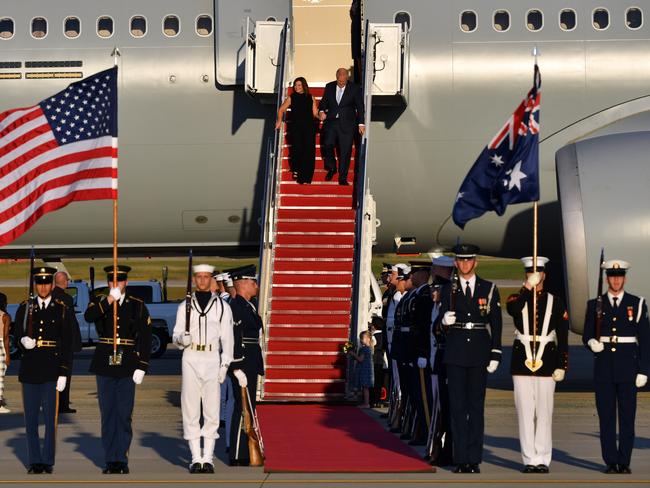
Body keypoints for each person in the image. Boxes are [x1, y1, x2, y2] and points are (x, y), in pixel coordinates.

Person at [437, 244, 502, 474]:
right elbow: (438, 329)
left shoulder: (489, 288)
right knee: (457, 408)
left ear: (475, 263)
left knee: (476, 408)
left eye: (469, 260)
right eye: (461, 261)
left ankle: (473, 458)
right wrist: (443, 322)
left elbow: (496, 323)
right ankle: (460, 458)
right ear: (456, 263)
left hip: (478, 353)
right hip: (455, 354)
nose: (465, 264)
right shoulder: (448, 290)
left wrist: (496, 352)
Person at [583, 259, 650, 474]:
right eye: (612, 277)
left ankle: (625, 461)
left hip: (627, 368)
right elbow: (587, 334)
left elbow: (646, 340)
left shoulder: (637, 303)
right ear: (607, 279)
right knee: (607, 417)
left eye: (619, 276)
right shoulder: (595, 304)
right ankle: (611, 461)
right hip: (604, 368)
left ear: (625, 278)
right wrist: (591, 342)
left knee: (627, 417)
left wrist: (644, 370)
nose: (616, 280)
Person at [84, 265, 152, 475]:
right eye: (112, 281)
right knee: (108, 413)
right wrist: (109, 301)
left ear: (126, 283)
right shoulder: (100, 301)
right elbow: (89, 316)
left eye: (120, 281)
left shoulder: (137, 305)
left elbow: (146, 337)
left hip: (128, 363)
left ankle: (121, 458)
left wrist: (142, 366)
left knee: (123, 414)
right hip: (105, 361)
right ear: (108, 283)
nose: (116, 284)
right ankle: (110, 459)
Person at [506, 257, 569, 474]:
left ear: (544, 274)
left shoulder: (556, 302)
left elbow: (562, 336)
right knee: (525, 411)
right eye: (530, 273)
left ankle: (542, 457)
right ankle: (529, 459)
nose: (535, 275)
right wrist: (527, 287)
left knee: (544, 412)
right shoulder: (517, 297)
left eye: (538, 272)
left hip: (547, 361)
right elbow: (514, 311)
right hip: (522, 360)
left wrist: (562, 364)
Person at [172, 264, 234, 474]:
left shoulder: (222, 307)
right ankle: (195, 458)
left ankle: (208, 458)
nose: (202, 280)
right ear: (194, 280)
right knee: (190, 408)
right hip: (191, 356)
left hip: (211, 357)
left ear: (212, 280)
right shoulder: (184, 306)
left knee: (211, 409)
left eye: (206, 277)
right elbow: (176, 334)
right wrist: (182, 339)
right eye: (199, 277)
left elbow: (228, 338)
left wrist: (225, 364)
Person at [14, 267, 73, 474]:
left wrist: (64, 372)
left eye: (47, 283)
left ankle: (47, 460)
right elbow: (17, 334)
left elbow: (67, 342)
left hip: (51, 369)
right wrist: (22, 341)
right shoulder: (26, 307)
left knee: (50, 419)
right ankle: (34, 461)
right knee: (30, 419)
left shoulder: (61, 308)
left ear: (51, 285)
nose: (43, 287)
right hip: (30, 369)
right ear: (35, 285)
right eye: (39, 283)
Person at [223, 265, 265, 466]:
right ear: (242, 283)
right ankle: (237, 455)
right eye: (252, 281)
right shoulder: (236, 306)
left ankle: (246, 452)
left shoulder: (248, 305)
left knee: (249, 407)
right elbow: (233, 337)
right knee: (242, 408)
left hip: (250, 360)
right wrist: (236, 366)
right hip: (242, 362)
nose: (256, 285)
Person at [426, 255, 455, 466]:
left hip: (445, 363)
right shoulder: (437, 307)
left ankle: (445, 451)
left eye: (436, 289)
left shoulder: (449, 302)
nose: (432, 292)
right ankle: (438, 449)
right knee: (439, 408)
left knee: (446, 410)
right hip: (436, 362)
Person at [318, 68, 365, 186]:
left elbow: (360, 107)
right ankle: (332, 167)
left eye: (343, 81)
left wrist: (361, 124)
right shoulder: (329, 86)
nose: (341, 83)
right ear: (336, 76)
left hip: (348, 124)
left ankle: (343, 177)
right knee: (328, 144)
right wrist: (322, 110)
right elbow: (324, 102)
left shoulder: (354, 88)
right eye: (339, 81)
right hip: (331, 122)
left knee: (345, 151)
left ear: (347, 78)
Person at [276, 77, 319, 184]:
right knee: (297, 149)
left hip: (309, 127)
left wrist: (321, 116)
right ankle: (296, 169)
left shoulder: (311, 97)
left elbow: (315, 113)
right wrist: (279, 121)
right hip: (296, 128)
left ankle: (307, 176)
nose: (296, 87)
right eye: (295, 85)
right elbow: (281, 110)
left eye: (299, 85)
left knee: (308, 151)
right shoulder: (291, 97)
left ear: (304, 86)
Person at [52, 270, 82, 414]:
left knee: (52, 375)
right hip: (64, 344)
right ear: (65, 282)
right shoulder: (67, 299)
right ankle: (62, 404)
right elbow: (70, 324)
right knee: (64, 374)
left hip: (52, 343)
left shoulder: (49, 297)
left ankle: (51, 402)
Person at [349, 330, 374, 408]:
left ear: (368, 339)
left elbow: (360, 359)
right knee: (364, 387)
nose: (360, 340)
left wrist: (353, 354)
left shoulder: (365, 349)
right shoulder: (368, 348)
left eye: (362, 338)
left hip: (364, 370)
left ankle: (366, 403)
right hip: (366, 370)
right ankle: (364, 402)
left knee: (365, 387)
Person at [0, 292, 10, 414]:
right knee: (0, 378)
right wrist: (8, 355)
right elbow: (6, 337)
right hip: (1, 346)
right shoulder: (5, 316)